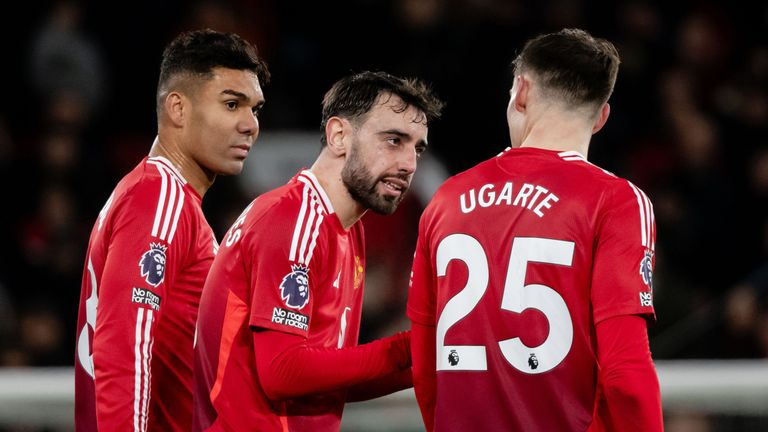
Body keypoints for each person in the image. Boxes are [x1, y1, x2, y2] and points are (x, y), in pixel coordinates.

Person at [407, 28, 663, 431]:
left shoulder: (445, 200)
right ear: (600, 117)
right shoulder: (617, 201)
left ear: (520, 91)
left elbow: (424, 366)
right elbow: (626, 373)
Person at [192, 70, 443, 431]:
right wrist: (408, 347)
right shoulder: (294, 219)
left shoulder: (346, 231)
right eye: (393, 140)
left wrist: (434, 358)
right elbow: (282, 373)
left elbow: (324, 379)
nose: (409, 164)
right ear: (339, 135)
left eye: (416, 148)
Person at [74, 29, 269, 431]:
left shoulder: (160, 198)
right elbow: (125, 349)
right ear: (178, 109)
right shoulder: (160, 197)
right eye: (232, 104)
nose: (250, 124)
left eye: (255, 109)